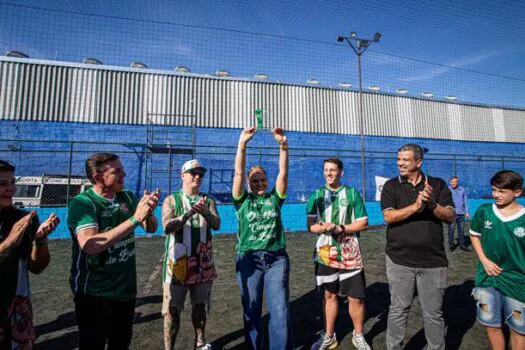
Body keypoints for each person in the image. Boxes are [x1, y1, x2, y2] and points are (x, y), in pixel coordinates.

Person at [67, 153, 159, 350]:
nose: (124, 174)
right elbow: (90, 245)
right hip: (94, 293)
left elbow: (150, 228)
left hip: (125, 291)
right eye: (116, 171)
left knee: (121, 344)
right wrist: (135, 219)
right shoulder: (83, 203)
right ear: (98, 178)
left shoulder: (126, 196)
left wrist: (148, 212)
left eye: (122, 169)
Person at [380, 144, 455, 350]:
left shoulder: (437, 185)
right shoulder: (391, 186)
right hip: (399, 261)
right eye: (399, 159)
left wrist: (431, 204)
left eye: (405, 160)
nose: (400, 163)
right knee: (398, 309)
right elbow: (388, 216)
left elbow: (450, 217)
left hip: (433, 262)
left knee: (433, 313)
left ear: (418, 162)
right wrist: (416, 206)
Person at [232, 127, 292, 350]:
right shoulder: (241, 201)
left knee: (280, 311)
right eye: (255, 181)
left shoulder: (276, 199)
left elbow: (283, 174)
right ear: (249, 183)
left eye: (262, 180)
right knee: (251, 309)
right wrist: (242, 144)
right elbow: (238, 173)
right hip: (249, 259)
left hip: (276, 259)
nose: (259, 184)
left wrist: (283, 146)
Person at [307, 158, 371, 350]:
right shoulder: (316, 195)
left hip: (350, 252)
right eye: (326, 170)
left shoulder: (352, 194)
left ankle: (358, 335)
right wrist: (321, 227)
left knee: (355, 297)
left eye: (333, 170)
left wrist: (339, 227)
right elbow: (310, 225)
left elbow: (364, 223)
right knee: (329, 295)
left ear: (341, 172)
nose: (329, 173)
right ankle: (329, 336)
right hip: (326, 253)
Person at [161, 159, 220, 350]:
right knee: (172, 311)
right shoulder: (171, 200)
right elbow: (167, 227)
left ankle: (200, 343)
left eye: (200, 174)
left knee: (200, 306)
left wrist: (206, 214)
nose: (197, 176)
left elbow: (217, 224)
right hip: (177, 265)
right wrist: (186, 215)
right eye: (193, 172)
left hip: (203, 264)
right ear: (182, 175)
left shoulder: (208, 200)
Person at [0, 159, 59, 349]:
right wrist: (8, 242)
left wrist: (40, 241)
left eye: (12, 183)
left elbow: (36, 267)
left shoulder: (22, 219)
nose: (11, 189)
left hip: (17, 317)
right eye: (3, 184)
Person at [470, 170, 525, 350]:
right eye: (494, 190)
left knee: (519, 329)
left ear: (517, 192)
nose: (496, 195)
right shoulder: (484, 211)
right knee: (491, 324)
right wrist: (484, 260)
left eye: (502, 191)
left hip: (518, 281)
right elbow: (474, 235)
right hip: (487, 278)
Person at [448, 176, 471, 252]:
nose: (453, 183)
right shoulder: (448, 190)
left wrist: (467, 211)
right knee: (451, 230)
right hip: (452, 214)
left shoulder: (462, 190)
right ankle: (451, 245)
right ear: (450, 182)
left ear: (457, 182)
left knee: (461, 230)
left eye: (455, 182)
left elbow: (465, 201)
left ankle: (462, 245)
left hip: (461, 214)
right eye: (452, 182)